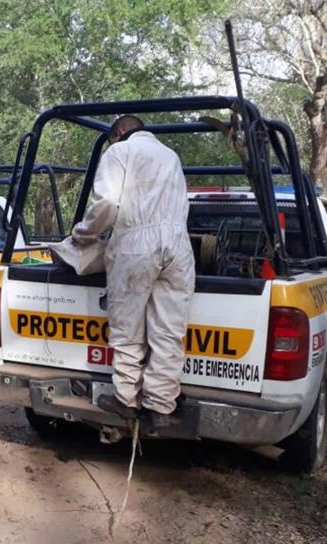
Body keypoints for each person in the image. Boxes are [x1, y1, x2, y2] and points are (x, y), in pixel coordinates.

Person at [71, 115, 195, 430]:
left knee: (127, 328)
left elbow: (107, 205)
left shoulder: (119, 152)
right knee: (168, 331)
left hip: (137, 244)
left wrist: (83, 235)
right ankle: (160, 405)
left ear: (120, 132)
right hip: (179, 247)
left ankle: (126, 398)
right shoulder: (171, 155)